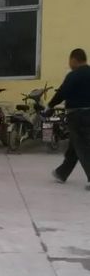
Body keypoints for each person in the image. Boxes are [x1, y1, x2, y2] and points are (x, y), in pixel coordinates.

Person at [48, 48, 90, 190]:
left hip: (77, 115)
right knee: (75, 145)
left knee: (83, 146)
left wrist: (50, 105)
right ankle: (62, 173)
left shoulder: (73, 75)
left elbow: (62, 92)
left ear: (74, 59)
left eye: (69, 61)